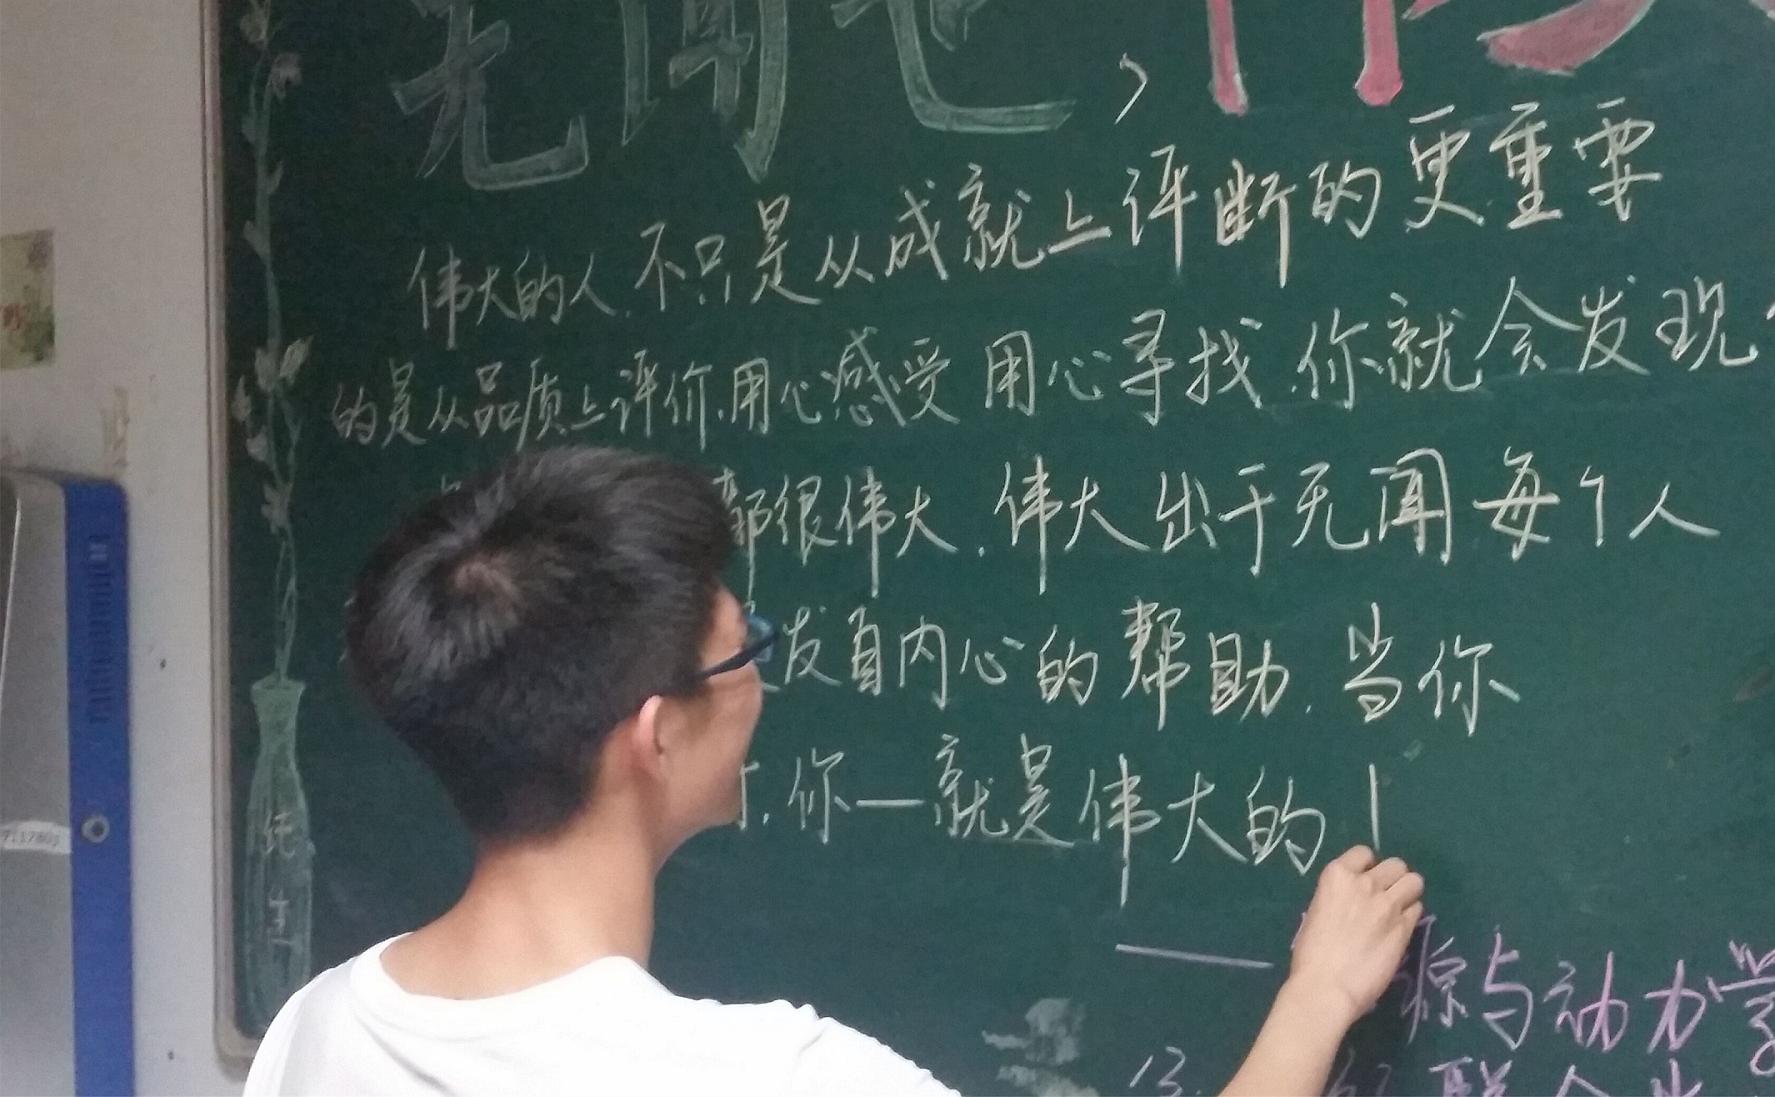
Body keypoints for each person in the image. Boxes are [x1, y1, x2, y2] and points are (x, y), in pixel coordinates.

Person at [244, 446, 1423, 1095]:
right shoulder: (760, 1078)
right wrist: (1318, 998)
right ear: (656, 736)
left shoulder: (314, 1033)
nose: (761, 678)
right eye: (740, 652)